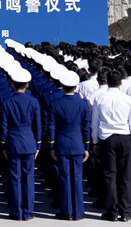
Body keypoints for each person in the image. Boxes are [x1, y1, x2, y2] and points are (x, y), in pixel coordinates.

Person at [91, 70, 131, 222]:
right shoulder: (128, 99)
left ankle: (112, 210)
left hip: (107, 138)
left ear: (107, 82)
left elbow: (95, 123)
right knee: (125, 176)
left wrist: (95, 141)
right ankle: (126, 212)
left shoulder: (100, 98)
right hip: (124, 137)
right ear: (121, 83)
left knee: (109, 175)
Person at [0, 67, 41, 221]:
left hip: (13, 142)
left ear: (11, 83)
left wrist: (3, 145)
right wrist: (38, 145)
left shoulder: (6, 101)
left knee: (15, 178)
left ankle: (16, 211)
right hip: (29, 142)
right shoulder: (34, 101)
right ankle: (28, 211)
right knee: (29, 178)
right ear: (27, 85)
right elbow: (38, 126)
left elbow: (3, 127)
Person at [47, 69, 90, 221]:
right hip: (78, 144)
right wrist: (87, 146)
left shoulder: (55, 103)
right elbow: (86, 127)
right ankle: (79, 211)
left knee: (64, 178)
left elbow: (51, 126)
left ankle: (67, 211)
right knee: (77, 178)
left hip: (62, 144)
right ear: (76, 87)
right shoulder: (83, 104)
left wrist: (51, 145)